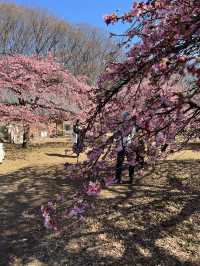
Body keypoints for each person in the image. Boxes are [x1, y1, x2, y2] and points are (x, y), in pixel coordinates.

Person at [115, 112, 138, 184]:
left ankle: (131, 178)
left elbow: (132, 135)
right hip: (121, 146)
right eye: (125, 117)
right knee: (120, 162)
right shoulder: (120, 126)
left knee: (131, 162)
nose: (126, 119)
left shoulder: (132, 126)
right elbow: (116, 135)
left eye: (127, 118)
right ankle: (118, 179)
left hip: (129, 146)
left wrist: (127, 141)